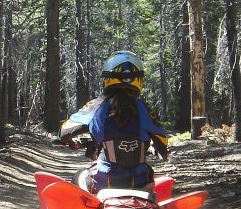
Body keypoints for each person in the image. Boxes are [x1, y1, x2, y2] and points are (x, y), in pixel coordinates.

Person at [57, 51, 169, 193]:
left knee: (78, 177)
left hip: (103, 182)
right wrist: (159, 149)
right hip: (140, 183)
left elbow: (65, 129)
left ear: (107, 78)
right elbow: (163, 140)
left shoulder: (96, 107)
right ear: (138, 80)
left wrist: (65, 139)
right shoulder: (144, 109)